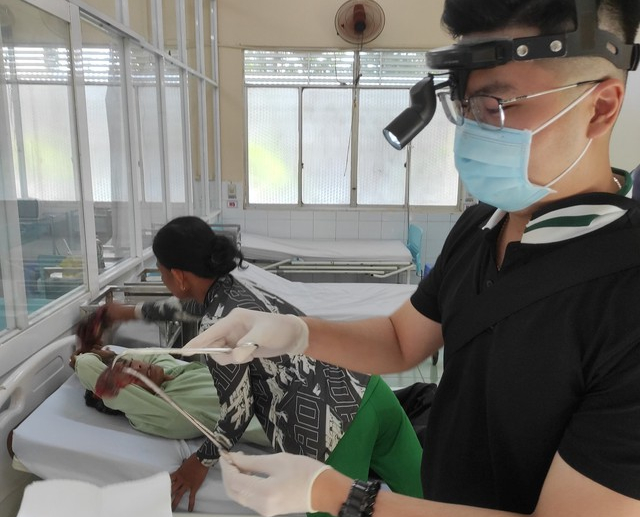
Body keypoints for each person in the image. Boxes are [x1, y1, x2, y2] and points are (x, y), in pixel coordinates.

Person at [185, 1, 640, 516]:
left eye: (498, 107)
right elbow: (403, 340)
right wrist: (295, 333)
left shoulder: (624, 297)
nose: (473, 133)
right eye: (466, 108)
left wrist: (340, 495)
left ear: (601, 108)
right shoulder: (480, 227)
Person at [100, 215, 423, 513]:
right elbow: (185, 308)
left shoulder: (217, 326)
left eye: (161, 271)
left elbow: (237, 412)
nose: (163, 278)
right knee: (425, 500)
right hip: (371, 391)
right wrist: (127, 313)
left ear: (180, 276)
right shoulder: (239, 286)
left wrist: (199, 463)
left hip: (333, 429)